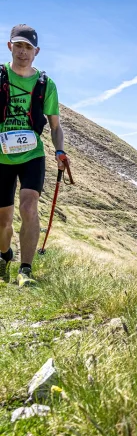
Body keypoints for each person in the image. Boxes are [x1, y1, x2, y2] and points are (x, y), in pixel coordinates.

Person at [0, 25, 69, 287]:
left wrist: (60, 150)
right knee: (3, 221)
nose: (23, 52)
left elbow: (55, 125)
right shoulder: (0, 77)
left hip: (32, 156)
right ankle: (5, 255)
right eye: (18, 45)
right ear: (10, 46)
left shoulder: (45, 85)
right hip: (1, 158)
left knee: (28, 206)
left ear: (36, 52)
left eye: (28, 47)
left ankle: (25, 270)